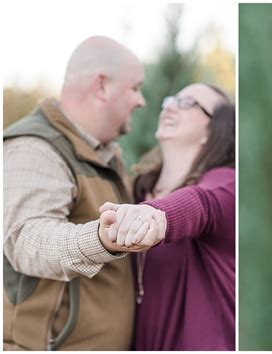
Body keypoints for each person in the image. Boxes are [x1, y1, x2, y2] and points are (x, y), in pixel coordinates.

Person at [3, 36, 164, 351]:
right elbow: (26, 239)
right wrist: (102, 239)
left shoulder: (106, 153)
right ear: (101, 86)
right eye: (135, 88)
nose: (141, 100)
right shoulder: (35, 148)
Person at [99, 83, 235, 350]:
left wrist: (157, 216)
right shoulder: (136, 192)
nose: (170, 106)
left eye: (188, 103)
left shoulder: (227, 182)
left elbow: (201, 203)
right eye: (171, 99)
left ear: (214, 130)